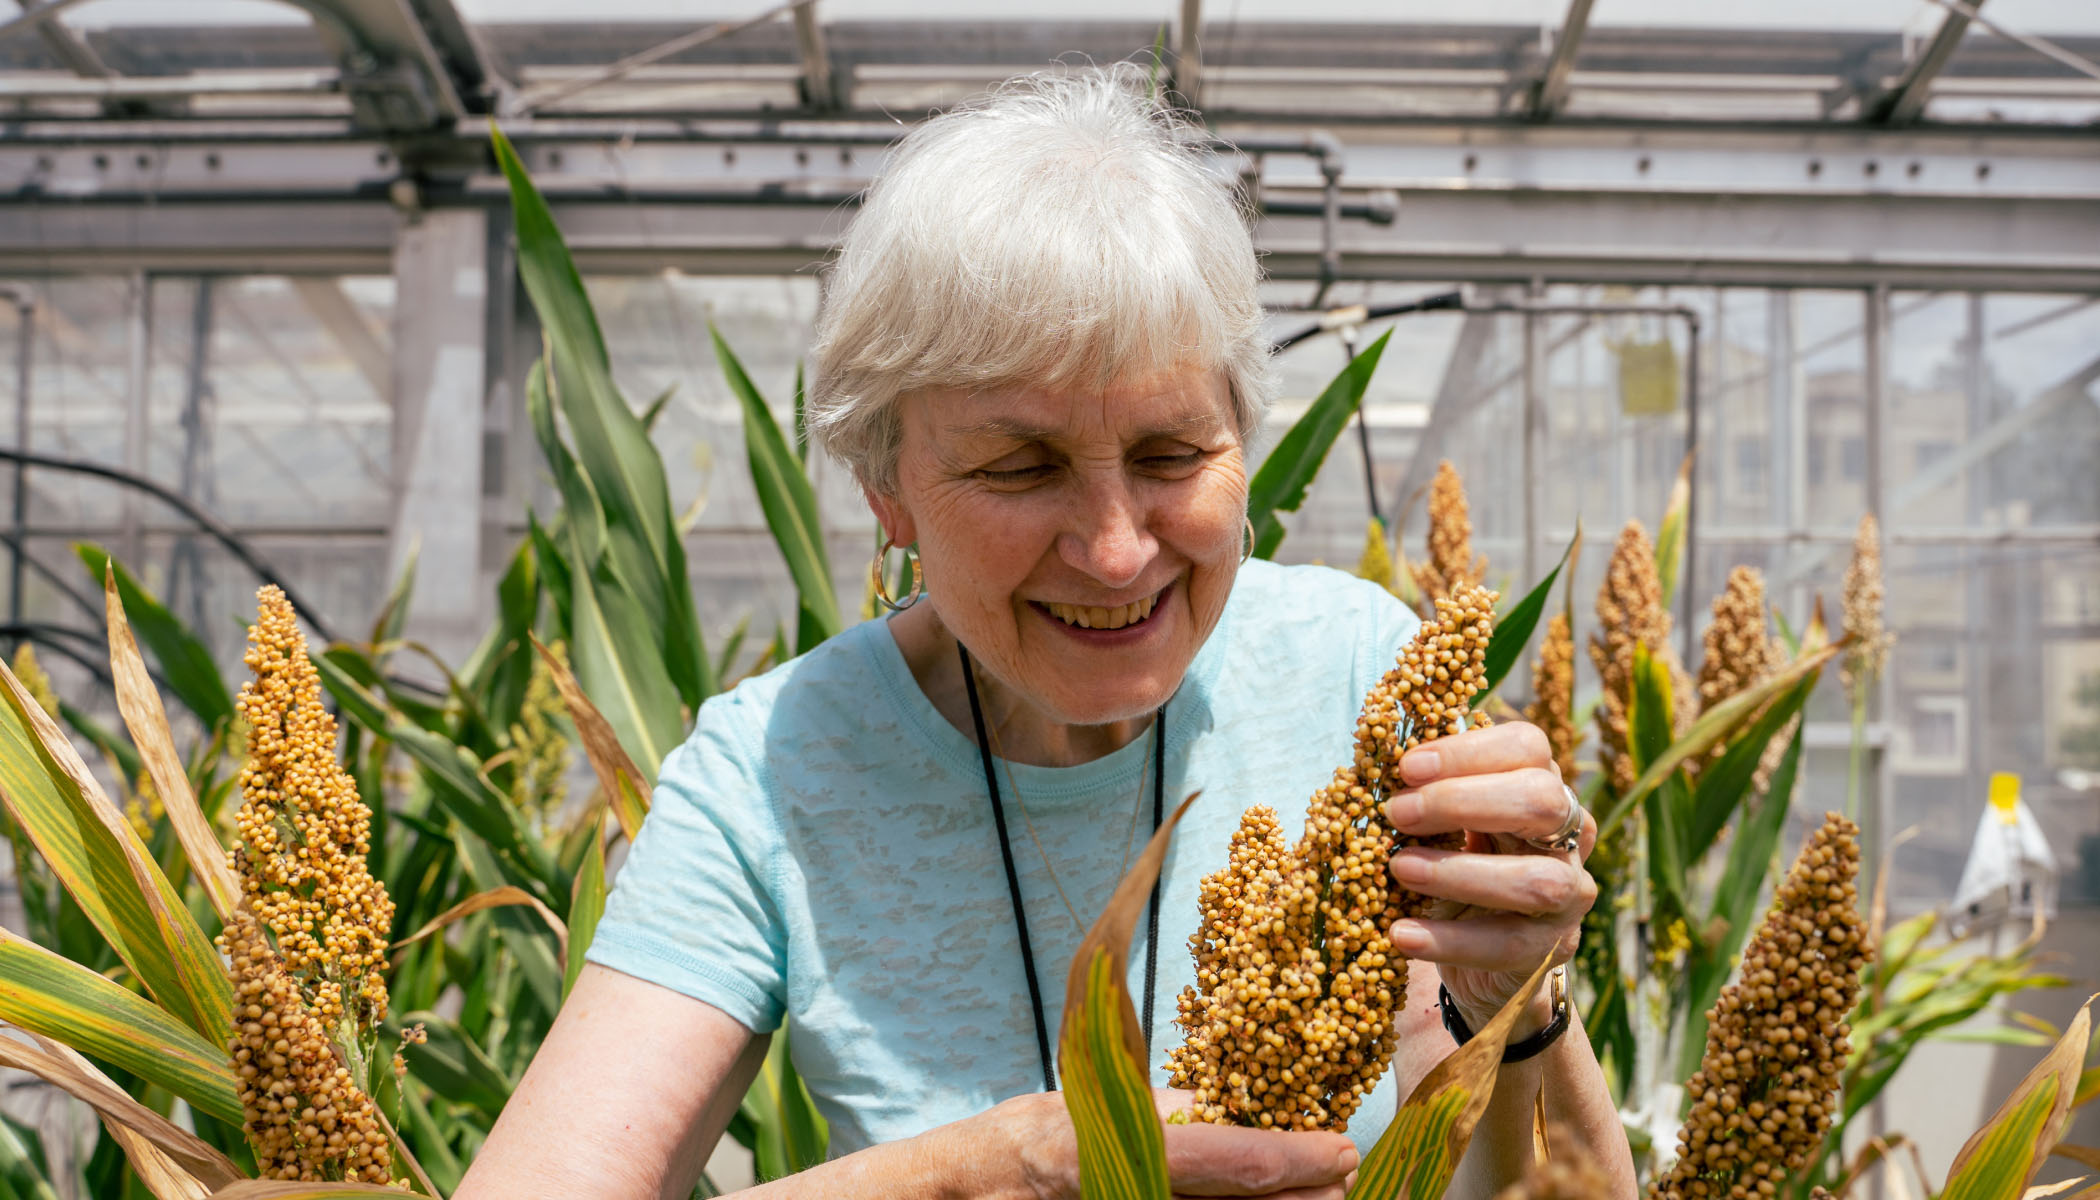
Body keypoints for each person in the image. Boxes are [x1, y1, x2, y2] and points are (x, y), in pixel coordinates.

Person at [460, 66, 1633, 1200]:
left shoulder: (1359, 676)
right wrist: (989, 1171)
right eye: (1020, 467)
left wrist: (1519, 1009)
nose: (1117, 551)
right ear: (888, 486)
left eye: (1173, 455)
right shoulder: (775, 770)